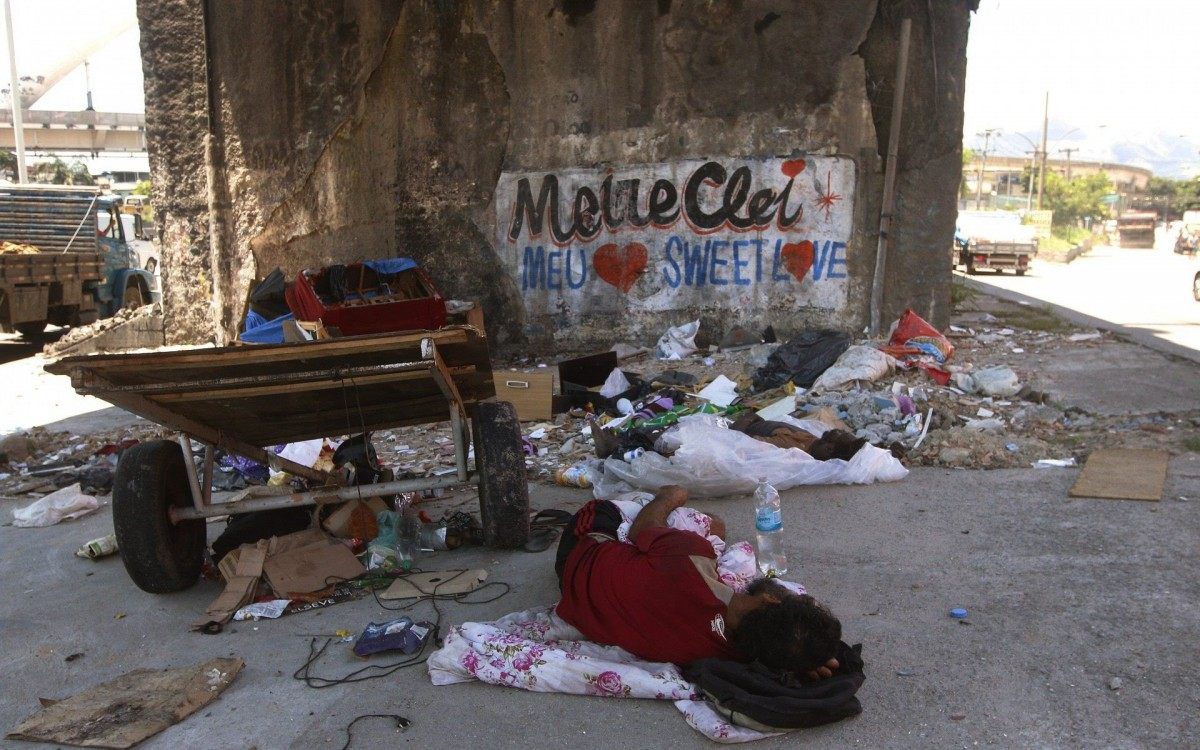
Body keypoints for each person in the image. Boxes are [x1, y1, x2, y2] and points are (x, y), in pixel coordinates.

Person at [555, 485, 842, 679]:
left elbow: (641, 530)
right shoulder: (727, 655)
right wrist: (799, 654)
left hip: (583, 549)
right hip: (582, 598)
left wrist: (670, 497)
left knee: (712, 524)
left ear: (771, 599)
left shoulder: (689, 559)